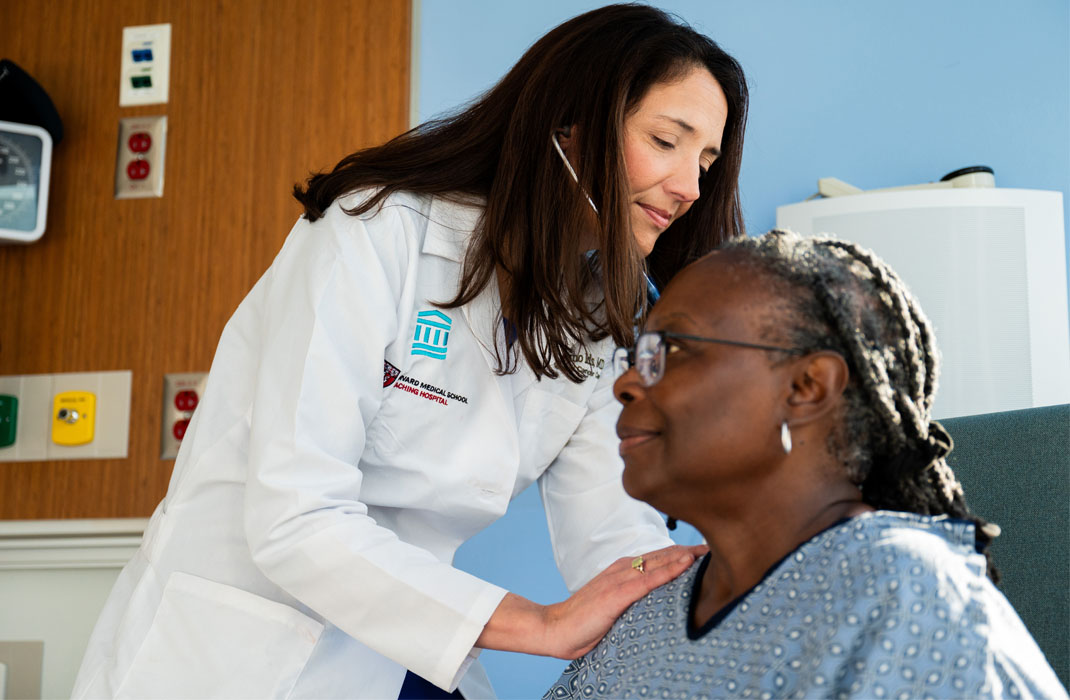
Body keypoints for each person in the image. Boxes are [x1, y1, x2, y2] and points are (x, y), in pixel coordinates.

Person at [72, 5, 749, 699]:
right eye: (667, 140)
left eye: (705, 161)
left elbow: (607, 520)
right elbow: (295, 516)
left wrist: (694, 593)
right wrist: (540, 624)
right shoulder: (376, 231)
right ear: (569, 129)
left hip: (410, 635)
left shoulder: (605, 307)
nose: (689, 188)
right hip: (248, 645)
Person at [544, 230, 1068, 700]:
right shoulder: (650, 614)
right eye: (634, 357)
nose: (625, 383)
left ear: (806, 387)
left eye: (670, 350)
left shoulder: (905, 590)